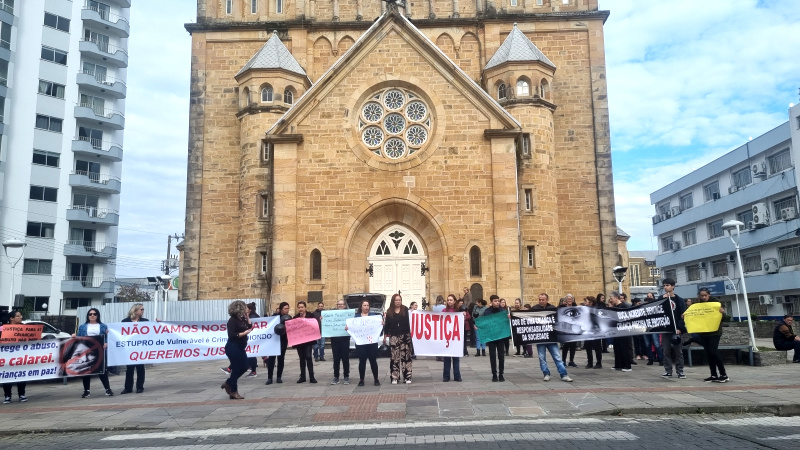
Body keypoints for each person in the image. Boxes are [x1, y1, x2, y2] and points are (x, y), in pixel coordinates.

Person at [531, 294, 573, 382]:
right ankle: (546, 374)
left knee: (557, 357)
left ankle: (564, 374)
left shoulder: (552, 308)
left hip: (551, 338)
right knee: (542, 357)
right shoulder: (534, 308)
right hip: (540, 338)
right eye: (540, 299)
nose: (541, 301)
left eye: (543, 300)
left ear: (547, 300)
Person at [691, 288, 729, 383]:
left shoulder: (716, 303)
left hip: (715, 332)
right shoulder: (698, 305)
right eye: (702, 296)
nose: (704, 297)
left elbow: (724, 318)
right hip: (704, 332)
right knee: (708, 353)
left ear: (709, 295)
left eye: (705, 295)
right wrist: (686, 315)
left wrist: (723, 313)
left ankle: (723, 374)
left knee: (713, 352)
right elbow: (694, 315)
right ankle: (713, 375)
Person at [74, 308, 113, 398]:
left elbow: (108, 337)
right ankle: (86, 391)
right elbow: (79, 338)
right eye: (90, 314)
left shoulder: (103, 326)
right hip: (86, 350)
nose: (92, 316)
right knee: (86, 369)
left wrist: (106, 342)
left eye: (94, 314)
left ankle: (108, 389)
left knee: (102, 369)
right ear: (88, 316)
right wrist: (74, 337)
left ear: (97, 315)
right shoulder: (82, 327)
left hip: (99, 350)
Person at [221, 300, 253, 399]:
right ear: (239, 309)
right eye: (245, 308)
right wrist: (244, 333)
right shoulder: (232, 321)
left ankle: (228, 383)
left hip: (240, 347)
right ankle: (233, 391)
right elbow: (232, 335)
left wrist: (247, 317)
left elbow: (249, 326)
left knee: (245, 366)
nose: (247, 309)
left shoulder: (242, 319)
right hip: (233, 347)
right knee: (236, 368)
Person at [349, 300, 381, 386]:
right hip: (361, 343)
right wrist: (348, 328)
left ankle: (376, 379)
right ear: (361, 307)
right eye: (364, 305)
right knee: (362, 361)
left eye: (367, 305)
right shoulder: (356, 317)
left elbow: (378, 328)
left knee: (373, 361)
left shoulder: (373, 316)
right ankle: (361, 379)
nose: (366, 307)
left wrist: (381, 324)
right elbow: (352, 328)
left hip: (372, 342)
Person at [659, 278, 687, 379]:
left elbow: (683, 315)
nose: (665, 287)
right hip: (666, 329)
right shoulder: (661, 298)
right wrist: (661, 299)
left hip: (676, 329)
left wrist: (680, 328)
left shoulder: (679, 300)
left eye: (667, 285)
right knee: (666, 351)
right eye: (664, 285)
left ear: (673, 286)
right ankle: (668, 370)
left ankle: (680, 371)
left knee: (678, 351)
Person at [478, 295, 508, 382]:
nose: (497, 302)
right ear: (491, 302)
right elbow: (484, 323)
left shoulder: (502, 311)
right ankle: (494, 374)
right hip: (491, 337)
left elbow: (505, 322)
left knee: (501, 356)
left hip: (500, 337)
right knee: (492, 356)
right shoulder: (487, 312)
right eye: (495, 301)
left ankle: (501, 374)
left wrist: (508, 318)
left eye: (498, 301)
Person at [384, 293, 412, 384]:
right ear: (393, 301)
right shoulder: (389, 311)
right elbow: (387, 325)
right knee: (394, 357)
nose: (398, 301)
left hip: (405, 336)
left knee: (406, 357)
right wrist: (385, 336)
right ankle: (394, 377)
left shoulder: (405, 309)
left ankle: (407, 376)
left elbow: (411, 320)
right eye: (396, 300)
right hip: (394, 336)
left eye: (399, 300)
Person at [121, 303, 148, 394]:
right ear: (135, 310)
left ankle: (140, 387)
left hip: (140, 347)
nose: (143, 311)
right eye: (141, 309)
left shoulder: (145, 321)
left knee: (140, 368)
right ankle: (128, 388)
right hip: (129, 348)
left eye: (143, 309)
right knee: (129, 368)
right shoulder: (125, 321)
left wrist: (158, 322)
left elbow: (152, 331)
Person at [2, 311, 27, 403]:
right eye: (18, 316)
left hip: (21, 356)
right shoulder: (3, 329)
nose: (21, 317)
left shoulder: (26, 328)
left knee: (21, 375)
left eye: (20, 315)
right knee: (7, 375)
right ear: (11, 318)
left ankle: (22, 394)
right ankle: (7, 396)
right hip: (7, 356)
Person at [265, 302, 290, 385]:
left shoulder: (289, 318)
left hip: (283, 340)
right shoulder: (275, 317)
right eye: (285, 309)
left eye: (288, 308)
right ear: (281, 309)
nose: (287, 310)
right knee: (271, 359)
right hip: (274, 340)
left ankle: (279, 377)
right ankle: (269, 377)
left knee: (281, 359)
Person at [607, 291, 632, 372]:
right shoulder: (615, 307)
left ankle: (627, 365)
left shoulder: (624, 306)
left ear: (616, 298)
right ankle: (618, 364)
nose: (610, 300)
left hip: (623, 330)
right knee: (617, 348)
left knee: (624, 348)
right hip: (616, 330)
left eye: (611, 298)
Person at [328, 299, 351, 385]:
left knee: (345, 358)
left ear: (344, 306)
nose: (340, 306)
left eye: (342, 304)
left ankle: (346, 376)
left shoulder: (348, 314)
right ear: (337, 306)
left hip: (345, 338)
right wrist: (323, 318)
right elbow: (326, 321)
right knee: (336, 358)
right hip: (335, 339)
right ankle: (336, 376)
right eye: (339, 304)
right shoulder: (332, 314)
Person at [441, 294, 464, 382]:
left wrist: (464, 315)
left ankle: (457, 375)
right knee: (447, 357)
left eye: (451, 300)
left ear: (454, 301)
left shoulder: (458, 310)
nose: (449, 301)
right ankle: (446, 376)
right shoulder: (444, 310)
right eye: (448, 300)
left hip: (455, 337)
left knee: (456, 358)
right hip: (447, 336)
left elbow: (467, 318)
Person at [293, 301, 317, 383]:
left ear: (305, 308)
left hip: (308, 341)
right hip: (300, 341)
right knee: (301, 358)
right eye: (299, 307)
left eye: (302, 307)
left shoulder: (310, 315)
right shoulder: (295, 317)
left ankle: (312, 377)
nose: (301, 309)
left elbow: (314, 324)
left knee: (308, 357)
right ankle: (302, 376)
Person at [642, 293, 663, 366]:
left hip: (654, 328)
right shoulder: (643, 310)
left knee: (656, 344)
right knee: (648, 344)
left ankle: (660, 359)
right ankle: (650, 359)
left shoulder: (655, 310)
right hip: (646, 329)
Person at [581, 296, 602, 369]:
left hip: (595, 331)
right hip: (588, 331)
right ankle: (590, 362)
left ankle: (599, 363)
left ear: (591, 302)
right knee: (588, 346)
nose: (584, 303)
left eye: (586, 301)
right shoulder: (585, 310)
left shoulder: (596, 310)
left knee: (597, 347)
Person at [559, 294, 579, 368]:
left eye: (571, 299)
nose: (570, 300)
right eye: (568, 299)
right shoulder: (562, 308)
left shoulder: (575, 308)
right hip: (565, 329)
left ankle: (571, 361)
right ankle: (563, 360)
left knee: (573, 345)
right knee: (566, 345)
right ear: (566, 300)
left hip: (573, 329)